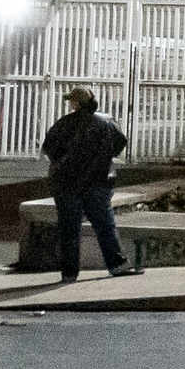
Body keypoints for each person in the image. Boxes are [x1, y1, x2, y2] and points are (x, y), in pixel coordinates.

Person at [40, 85, 131, 282]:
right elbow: (118, 145)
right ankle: (117, 265)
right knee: (105, 226)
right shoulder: (104, 123)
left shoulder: (63, 124)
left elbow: (49, 150)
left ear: (76, 103)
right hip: (96, 185)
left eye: (71, 100)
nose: (70, 104)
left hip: (67, 186)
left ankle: (69, 273)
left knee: (69, 229)